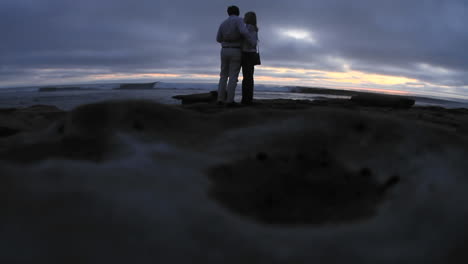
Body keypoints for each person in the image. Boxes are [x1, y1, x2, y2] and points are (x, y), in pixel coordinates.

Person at [216, 6, 256, 106]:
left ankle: (220, 99)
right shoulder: (239, 20)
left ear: (228, 13)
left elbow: (218, 39)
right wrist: (251, 42)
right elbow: (243, 32)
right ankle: (230, 100)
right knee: (233, 76)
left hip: (224, 50)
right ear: (238, 12)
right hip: (235, 50)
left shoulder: (223, 23)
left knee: (223, 75)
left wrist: (226, 40)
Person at [241, 11, 259, 105]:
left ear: (248, 18)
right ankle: (249, 98)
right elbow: (254, 43)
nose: (243, 18)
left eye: (245, 16)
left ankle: (245, 99)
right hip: (251, 54)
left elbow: (251, 42)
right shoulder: (255, 29)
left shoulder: (247, 28)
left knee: (246, 78)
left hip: (246, 54)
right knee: (250, 77)